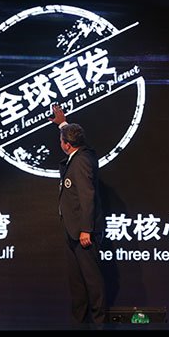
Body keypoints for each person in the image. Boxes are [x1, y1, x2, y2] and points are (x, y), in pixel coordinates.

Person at [49, 104, 106, 325]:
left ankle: (99, 323)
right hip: (73, 230)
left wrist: (86, 229)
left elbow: (87, 196)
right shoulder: (80, 154)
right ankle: (79, 324)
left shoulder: (82, 160)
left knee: (92, 279)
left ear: (67, 145)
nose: (60, 143)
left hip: (83, 232)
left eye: (61, 140)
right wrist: (62, 123)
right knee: (77, 281)